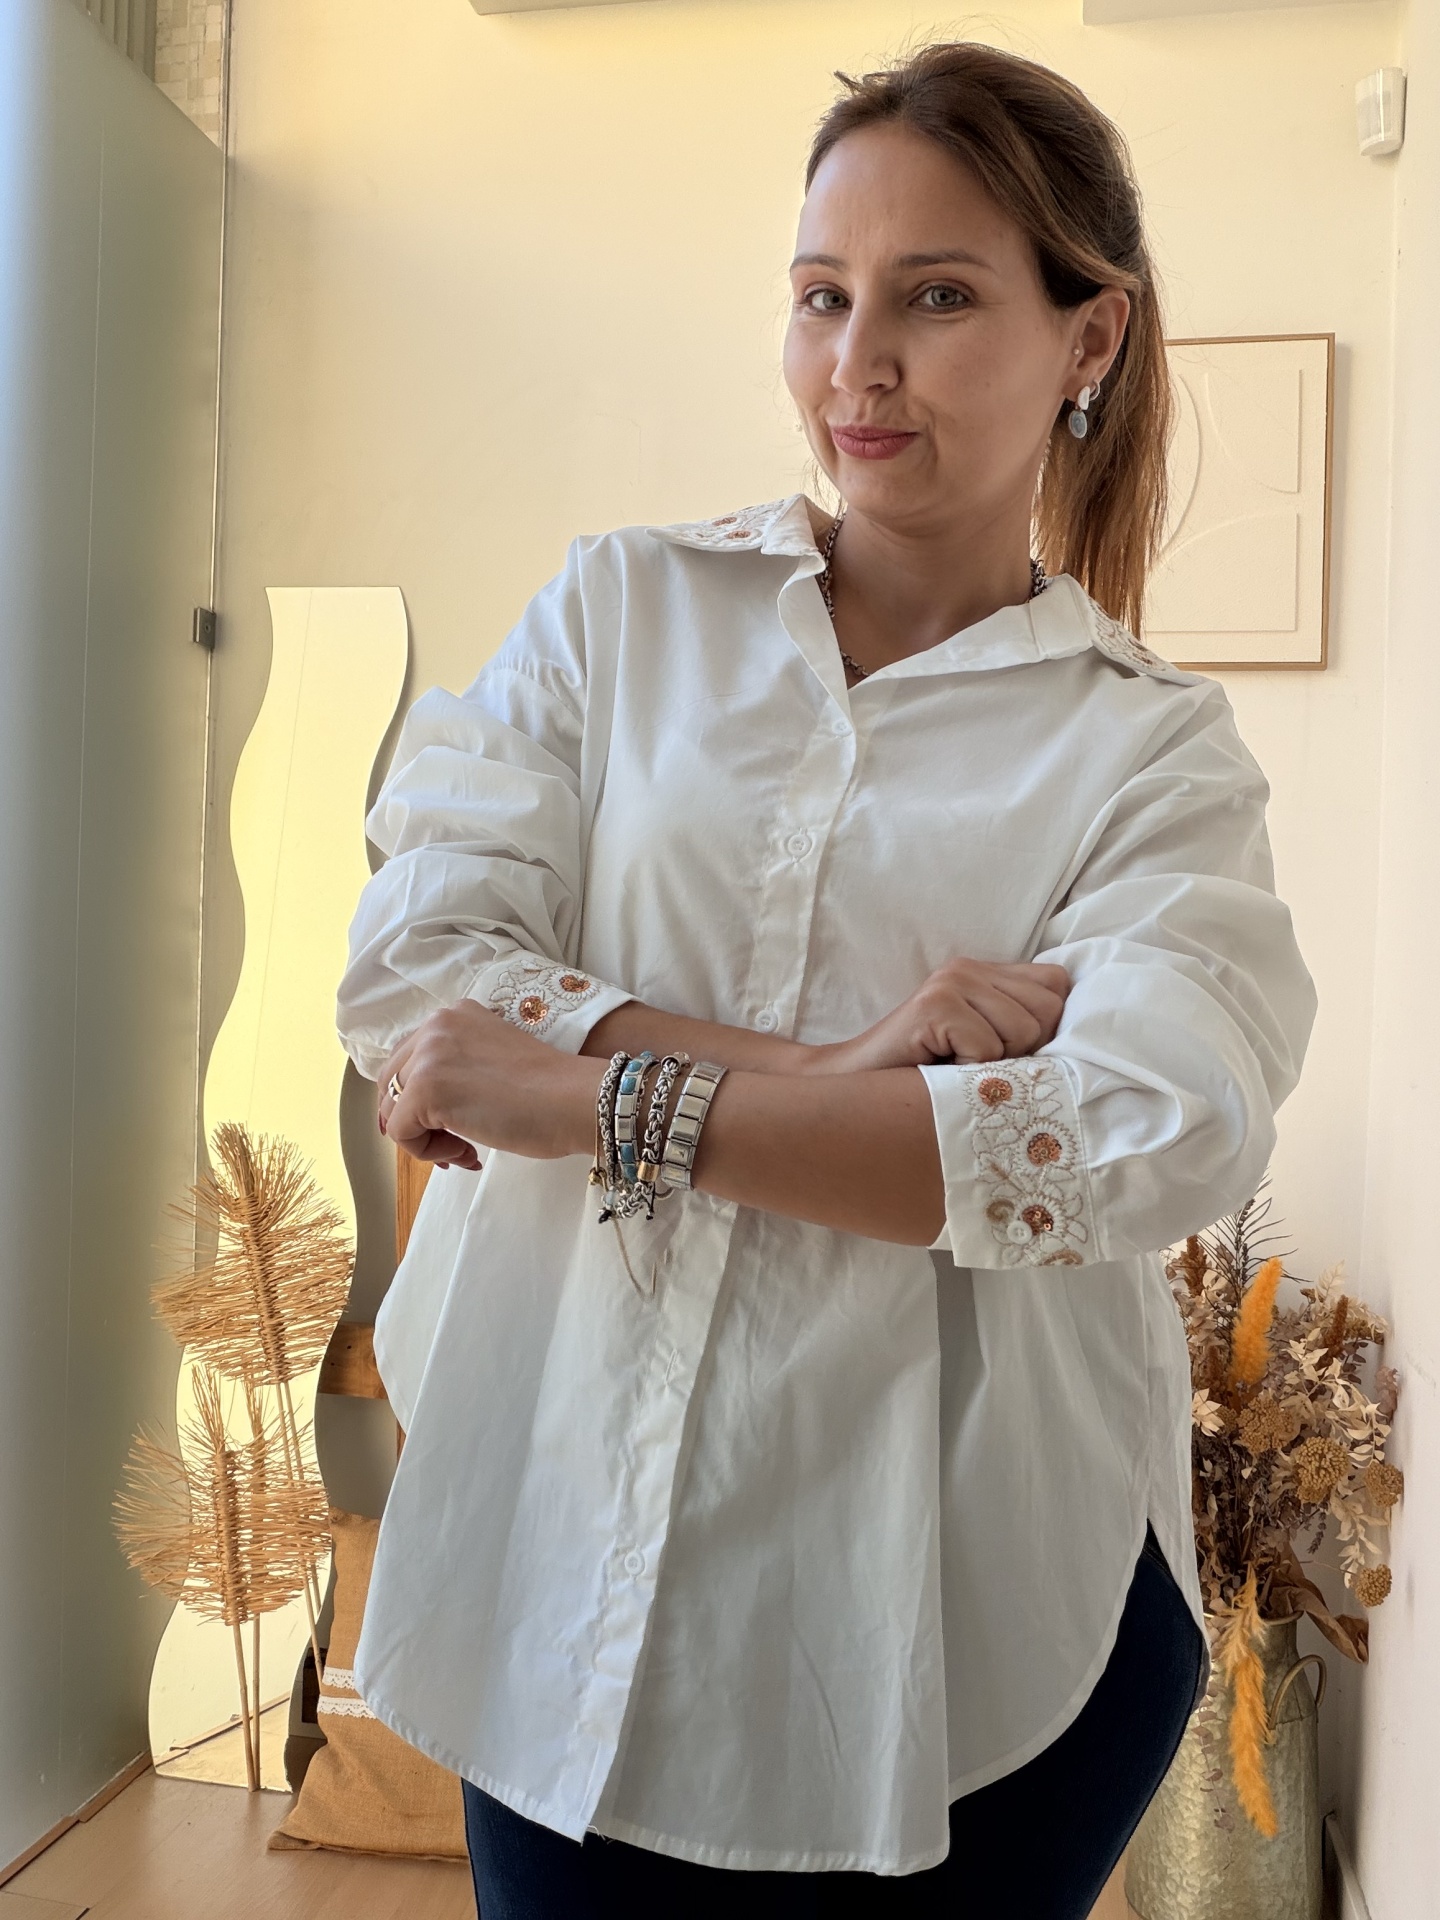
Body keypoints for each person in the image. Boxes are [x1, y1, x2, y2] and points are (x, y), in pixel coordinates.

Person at [336, 41, 1314, 1919]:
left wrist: (600, 1092)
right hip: (565, 1575)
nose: (857, 363)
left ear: (1089, 336)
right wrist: (847, 1065)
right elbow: (421, 972)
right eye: (821, 296)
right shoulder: (619, 613)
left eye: (936, 298)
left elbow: (1144, 1132)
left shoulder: (1152, 755)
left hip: (979, 1627)